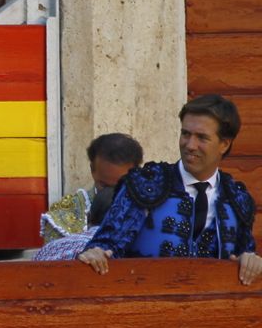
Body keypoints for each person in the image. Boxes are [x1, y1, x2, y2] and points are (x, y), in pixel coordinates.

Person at [81, 96, 262, 283]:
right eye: (185, 134)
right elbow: (106, 244)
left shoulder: (237, 199)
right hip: (145, 304)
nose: (190, 145)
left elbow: (244, 260)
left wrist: (250, 260)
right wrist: (96, 252)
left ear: (224, 144)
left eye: (202, 137)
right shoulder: (144, 185)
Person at [35, 132, 143, 260]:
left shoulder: (152, 210)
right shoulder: (62, 217)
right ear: (92, 169)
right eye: (104, 185)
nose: (114, 193)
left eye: (122, 186)